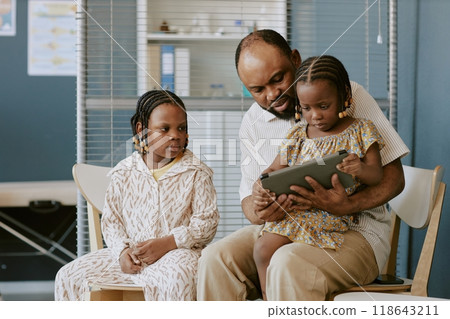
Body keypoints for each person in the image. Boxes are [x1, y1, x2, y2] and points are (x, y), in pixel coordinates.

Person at [197, 29, 409, 301]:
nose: (272, 94)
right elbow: (251, 206)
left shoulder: (347, 93)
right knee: (215, 259)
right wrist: (263, 205)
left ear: (295, 59)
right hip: (286, 227)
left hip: (355, 230)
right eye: (258, 90)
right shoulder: (253, 122)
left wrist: (347, 205)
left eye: (278, 79)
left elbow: (394, 178)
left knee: (287, 261)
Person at [55, 90, 219, 301]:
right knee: (69, 276)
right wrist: (122, 253)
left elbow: (207, 224)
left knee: (179, 277)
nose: (175, 135)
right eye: (164, 129)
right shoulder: (123, 172)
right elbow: (112, 222)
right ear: (142, 130)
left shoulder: (196, 172)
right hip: (131, 256)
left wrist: (168, 243)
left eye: (181, 128)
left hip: (177, 254)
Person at [253, 55, 384, 300]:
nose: (315, 116)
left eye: (323, 106)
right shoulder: (297, 134)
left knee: (292, 258)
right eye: (306, 108)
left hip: (331, 216)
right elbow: (273, 169)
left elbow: (377, 175)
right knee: (262, 249)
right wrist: (261, 185)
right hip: (296, 213)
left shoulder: (361, 130)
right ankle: (269, 301)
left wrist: (360, 168)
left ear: (345, 97)